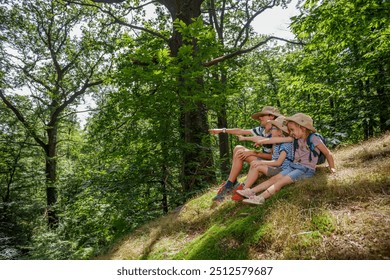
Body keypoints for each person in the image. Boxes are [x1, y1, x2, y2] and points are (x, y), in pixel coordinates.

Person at [237, 113, 336, 205]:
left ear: (302, 128)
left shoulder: (314, 139)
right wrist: (262, 141)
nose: (291, 133)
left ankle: (260, 198)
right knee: (274, 178)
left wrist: (332, 168)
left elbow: (328, 153)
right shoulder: (295, 138)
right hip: (293, 166)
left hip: (305, 169)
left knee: (280, 181)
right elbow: (277, 139)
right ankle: (251, 192)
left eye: (292, 130)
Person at [209, 106, 281, 202]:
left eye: (262, 116)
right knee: (238, 148)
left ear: (271, 117)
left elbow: (273, 157)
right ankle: (231, 182)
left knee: (240, 152)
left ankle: (231, 185)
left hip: (270, 163)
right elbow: (240, 131)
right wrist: (222, 130)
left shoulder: (277, 132)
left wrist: (252, 152)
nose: (260, 118)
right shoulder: (261, 130)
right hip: (263, 159)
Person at [231, 116, 294, 201]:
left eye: (273, 128)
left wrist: (262, 162)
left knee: (257, 165)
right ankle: (245, 189)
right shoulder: (276, 143)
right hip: (275, 167)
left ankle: (246, 189)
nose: (271, 130)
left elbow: (278, 163)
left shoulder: (285, 145)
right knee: (255, 164)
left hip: (280, 169)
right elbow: (259, 139)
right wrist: (245, 138)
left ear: (280, 131)